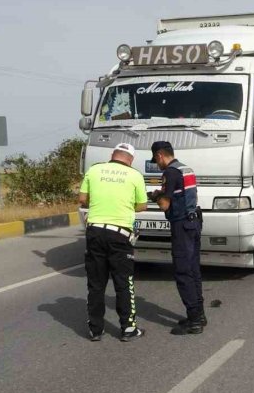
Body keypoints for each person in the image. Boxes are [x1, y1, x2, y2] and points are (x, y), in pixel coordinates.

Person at [79, 143, 148, 342]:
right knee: (123, 282)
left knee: (96, 284)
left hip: (95, 232)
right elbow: (141, 206)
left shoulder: (94, 170)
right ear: (131, 159)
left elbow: (82, 199)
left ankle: (95, 330)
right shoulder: (135, 176)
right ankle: (128, 328)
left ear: (112, 155)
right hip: (120, 235)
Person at [149, 141, 205, 334]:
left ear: (159, 156)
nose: (158, 165)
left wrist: (156, 196)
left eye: (156, 161)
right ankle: (199, 314)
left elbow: (165, 205)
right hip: (194, 221)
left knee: (182, 271)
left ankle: (195, 321)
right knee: (193, 270)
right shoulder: (186, 168)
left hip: (181, 225)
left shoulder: (170, 173)